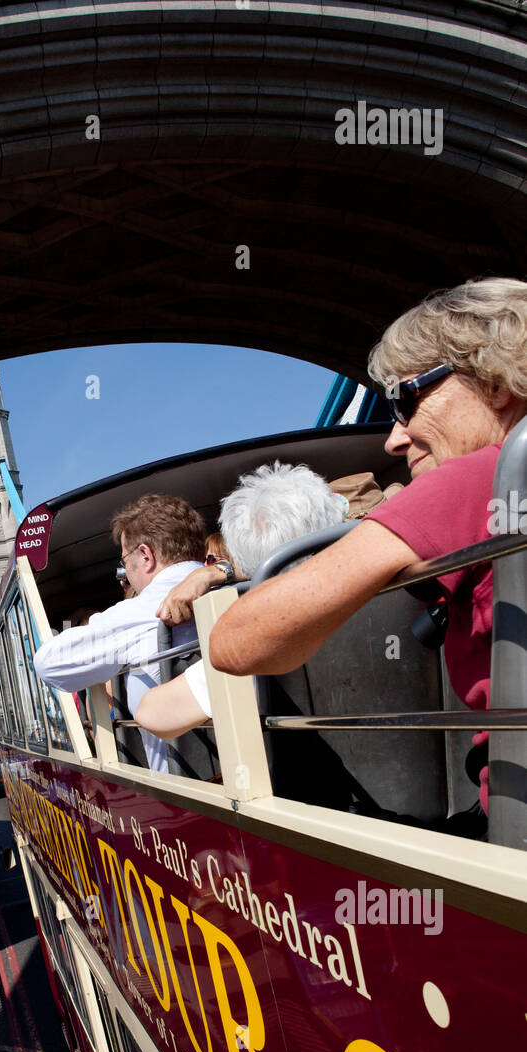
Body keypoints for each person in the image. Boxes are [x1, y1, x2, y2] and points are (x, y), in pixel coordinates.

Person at [206, 276, 527, 820]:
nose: (393, 437)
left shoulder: (484, 477)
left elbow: (236, 642)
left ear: (494, 383)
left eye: (405, 398)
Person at [137, 463, 347, 738]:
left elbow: (151, 715)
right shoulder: (398, 581)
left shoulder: (262, 633)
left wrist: (217, 573)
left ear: (243, 559)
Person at [33, 493, 208, 772]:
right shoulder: (243, 587)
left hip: (185, 790)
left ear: (145, 556)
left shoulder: (135, 614)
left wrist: (94, 626)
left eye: (124, 563)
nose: (124, 574)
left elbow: (47, 663)